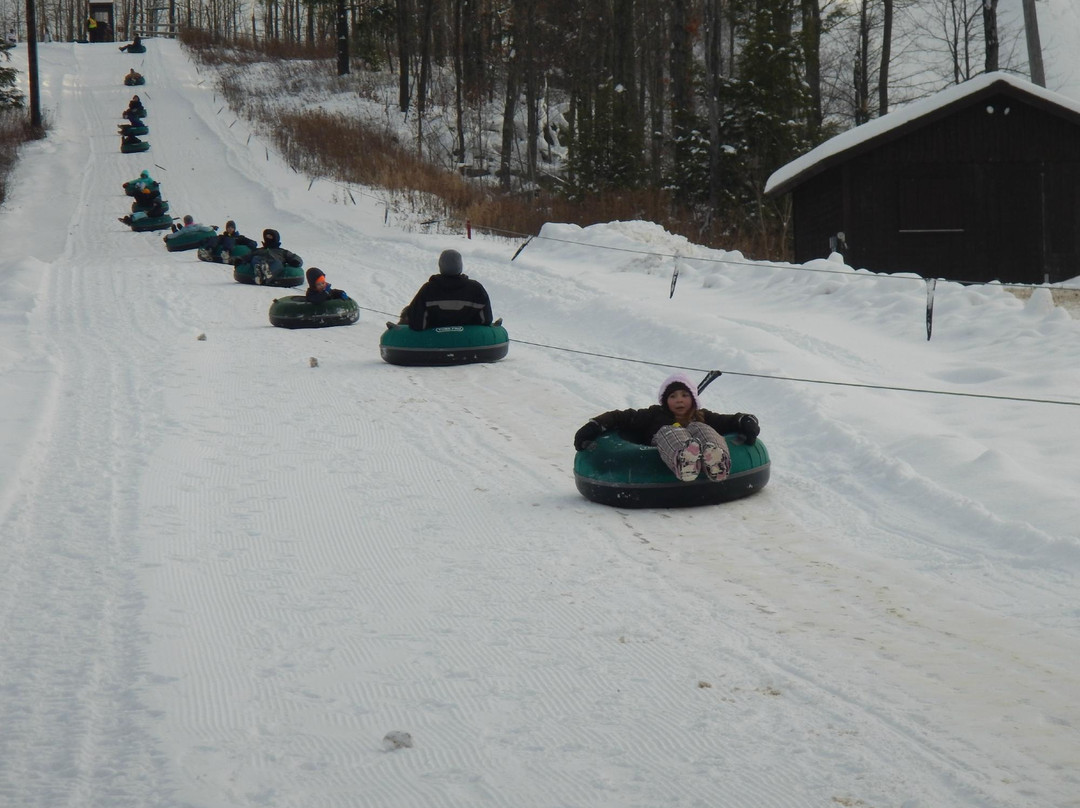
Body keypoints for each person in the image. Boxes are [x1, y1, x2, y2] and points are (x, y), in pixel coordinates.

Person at [572, 372, 761, 483]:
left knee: (702, 428)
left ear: (693, 399)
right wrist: (594, 425)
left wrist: (746, 421)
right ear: (665, 401)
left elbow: (730, 421)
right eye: (673, 396)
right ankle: (686, 460)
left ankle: (716, 460)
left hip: (701, 435)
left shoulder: (702, 416)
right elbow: (621, 417)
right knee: (671, 431)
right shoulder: (655, 415)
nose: (679, 400)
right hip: (668, 444)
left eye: (684, 395)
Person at [402, 249, 493, 331]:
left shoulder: (428, 289)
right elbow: (486, 320)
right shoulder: (476, 289)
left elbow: (417, 323)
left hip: (433, 343)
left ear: (440, 266)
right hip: (469, 342)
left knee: (407, 311)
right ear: (460, 266)